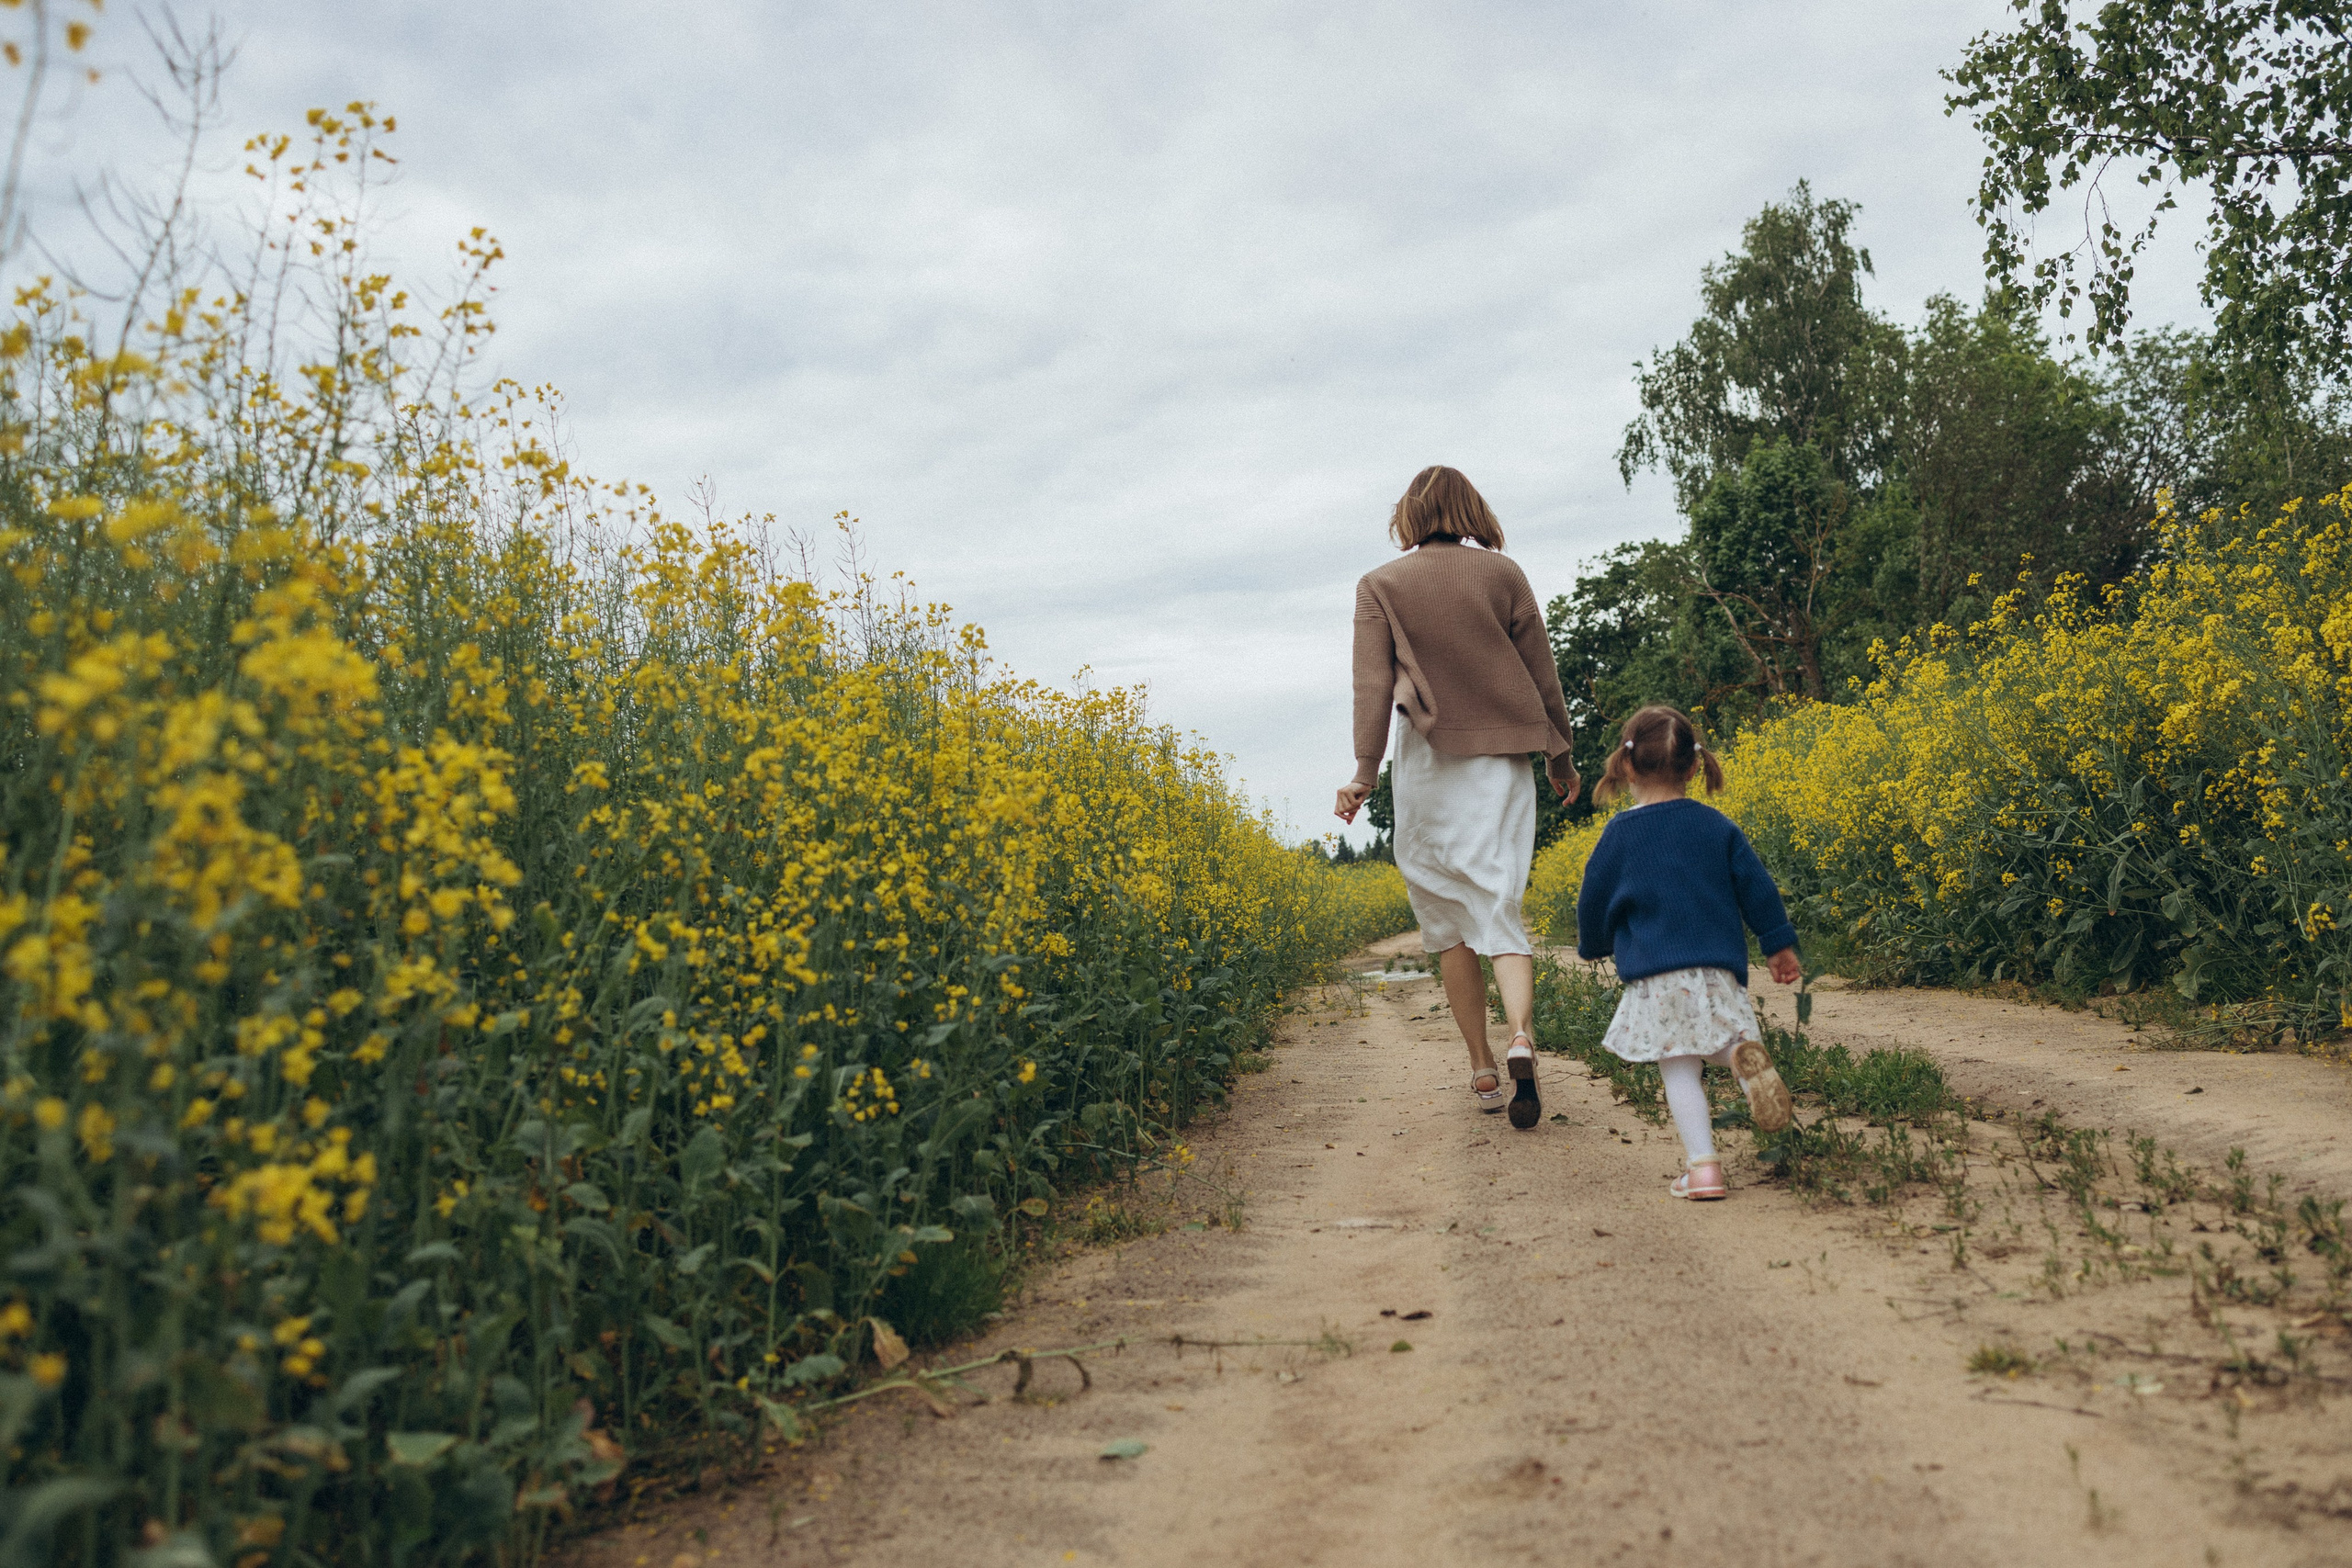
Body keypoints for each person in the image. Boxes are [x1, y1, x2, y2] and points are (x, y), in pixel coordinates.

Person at [1335, 467, 1579, 1130]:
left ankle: (1481, 1065)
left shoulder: (1380, 585)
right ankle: (1522, 1035)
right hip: (1502, 760)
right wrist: (1561, 752)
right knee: (1500, 902)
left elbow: (1371, 685)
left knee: (1445, 921)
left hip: (1428, 764)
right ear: (1471, 507)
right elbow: (1541, 672)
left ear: (1409, 516)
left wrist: (1363, 771)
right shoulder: (1504, 575)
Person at [1574, 704, 1799, 1200]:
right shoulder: (1716, 826)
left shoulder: (1619, 834)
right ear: (1695, 766)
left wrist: (1593, 945)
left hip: (1657, 975)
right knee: (1721, 1039)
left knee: (1680, 1068)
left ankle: (1704, 1169)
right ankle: (1739, 1055)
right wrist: (1778, 943)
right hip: (1718, 967)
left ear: (1627, 765)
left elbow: (1593, 898)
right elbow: (1757, 889)